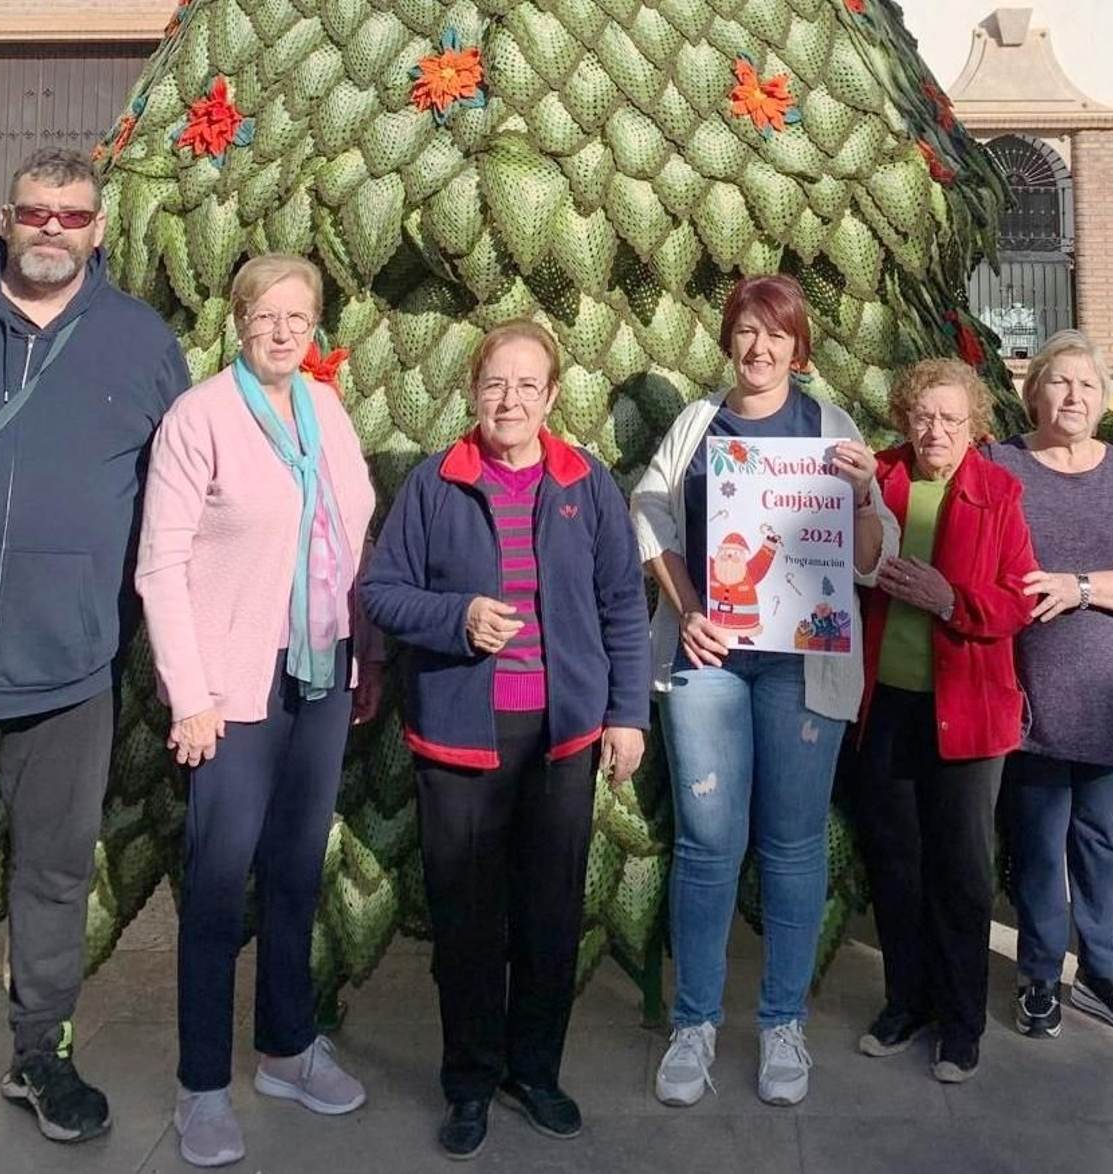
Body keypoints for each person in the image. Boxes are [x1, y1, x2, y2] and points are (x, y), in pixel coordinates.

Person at [0, 147, 189, 1142]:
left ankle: (39, 1055)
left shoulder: (142, 345)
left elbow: (178, 506)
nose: (53, 229)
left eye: (73, 215)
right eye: (36, 213)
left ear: (99, 229)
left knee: (56, 875)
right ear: (5, 219)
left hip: (68, 670)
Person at [361, 319, 650, 1160]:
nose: (511, 400)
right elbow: (382, 591)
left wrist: (626, 713)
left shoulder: (586, 483)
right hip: (463, 736)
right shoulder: (434, 484)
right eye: (496, 383)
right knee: (468, 919)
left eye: (528, 385)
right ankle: (469, 1081)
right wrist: (456, 617)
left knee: (551, 913)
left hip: (560, 736)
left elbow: (621, 608)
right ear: (473, 391)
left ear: (553, 396)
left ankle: (536, 1070)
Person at [630, 275, 898, 1108]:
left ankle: (782, 1023)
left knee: (791, 843)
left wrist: (858, 493)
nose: (760, 348)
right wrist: (688, 609)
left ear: (798, 345)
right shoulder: (698, 424)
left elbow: (869, 553)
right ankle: (696, 1023)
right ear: (728, 338)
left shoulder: (830, 427)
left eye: (776, 335)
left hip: (801, 663)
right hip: (710, 654)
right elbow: (650, 517)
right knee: (709, 842)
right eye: (746, 331)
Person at [136, 254, 380, 1166]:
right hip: (231, 693)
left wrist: (368, 657)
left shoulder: (325, 410)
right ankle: (202, 1084)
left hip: (317, 678)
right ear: (238, 320)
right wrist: (189, 696)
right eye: (266, 315)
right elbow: (159, 565)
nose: (284, 331)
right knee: (214, 887)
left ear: (317, 325)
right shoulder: (199, 418)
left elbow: (356, 536)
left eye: (300, 316)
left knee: (294, 875)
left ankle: (286, 1047)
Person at [985, 331, 1113, 1041]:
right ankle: (1040, 974)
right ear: (1033, 390)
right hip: (1027, 690)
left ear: (1104, 399)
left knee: (1101, 841)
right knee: (1036, 844)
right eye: (1059, 382)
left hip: (1112, 696)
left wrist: (1082, 587)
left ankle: (1103, 970)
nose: (1074, 396)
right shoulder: (1000, 464)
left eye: (1088, 386)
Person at [852, 357, 1037, 1082]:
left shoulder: (998, 490)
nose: (935, 431)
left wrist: (950, 597)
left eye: (951, 420)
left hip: (967, 710)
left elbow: (1018, 600)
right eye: (924, 416)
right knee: (896, 863)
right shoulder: (880, 478)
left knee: (960, 870)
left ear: (976, 427)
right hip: (888, 703)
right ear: (905, 416)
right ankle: (907, 1002)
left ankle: (962, 1023)